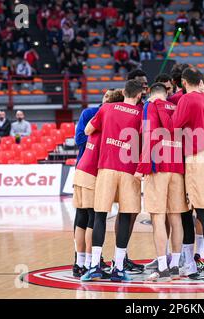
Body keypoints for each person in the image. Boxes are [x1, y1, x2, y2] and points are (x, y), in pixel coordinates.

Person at [160, 67, 204, 280]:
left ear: (184, 82)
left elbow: (173, 126)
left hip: (198, 159)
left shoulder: (187, 99)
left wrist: (160, 109)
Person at [82, 80, 144, 282]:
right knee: (125, 217)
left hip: (107, 167)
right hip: (130, 170)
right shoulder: (142, 113)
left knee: (100, 216)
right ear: (139, 96)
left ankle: (94, 267)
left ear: (124, 92)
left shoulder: (106, 108)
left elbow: (87, 131)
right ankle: (118, 268)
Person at [134, 83, 188, 282]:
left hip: (159, 166)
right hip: (177, 167)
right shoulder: (176, 107)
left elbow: (149, 136)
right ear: (167, 94)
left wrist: (142, 167)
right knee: (176, 218)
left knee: (158, 217)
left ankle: (162, 267)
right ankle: (174, 265)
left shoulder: (150, 105)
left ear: (150, 94)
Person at [72, 89, 124, 279]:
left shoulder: (95, 121)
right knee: (93, 218)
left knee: (82, 219)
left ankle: (80, 263)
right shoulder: (108, 122)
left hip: (82, 169)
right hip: (92, 172)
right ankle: (86, 264)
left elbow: (85, 134)